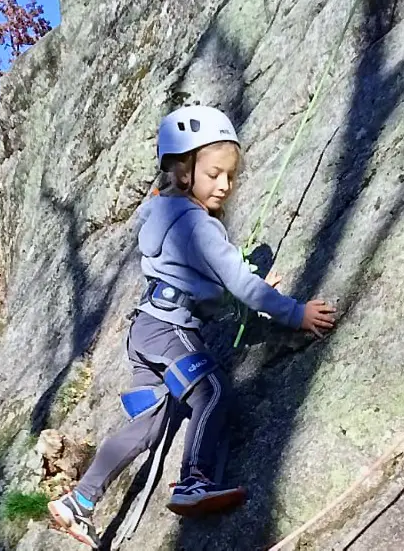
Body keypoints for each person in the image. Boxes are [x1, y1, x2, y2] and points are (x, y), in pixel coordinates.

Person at [47, 105, 338, 548]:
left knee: (148, 423)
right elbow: (240, 285)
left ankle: (79, 502)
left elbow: (207, 283)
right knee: (213, 391)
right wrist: (295, 313)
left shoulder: (163, 214)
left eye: (231, 176)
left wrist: (241, 291)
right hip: (169, 330)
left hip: (144, 332)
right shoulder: (198, 225)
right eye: (215, 173)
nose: (225, 185)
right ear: (184, 171)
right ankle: (194, 482)